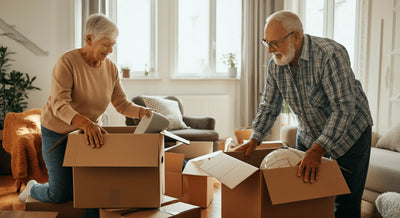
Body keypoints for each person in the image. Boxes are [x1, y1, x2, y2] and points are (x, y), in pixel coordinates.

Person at [235, 11, 373, 218]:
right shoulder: (276, 65)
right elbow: (269, 106)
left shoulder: (330, 55)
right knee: (304, 199)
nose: (270, 50)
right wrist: (255, 139)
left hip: (350, 136)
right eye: (267, 43)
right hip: (310, 135)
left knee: (344, 204)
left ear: (296, 36)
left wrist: (317, 151)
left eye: (275, 43)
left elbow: (343, 108)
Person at [18, 14, 151, 206]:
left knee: (89, 185)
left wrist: (143, 113)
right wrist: (87, 123)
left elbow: (121, 104)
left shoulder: (111, 69)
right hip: (57, 132)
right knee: (60, 193)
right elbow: (59, 104)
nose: (110, 50)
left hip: (85, 133)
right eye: (106, 44)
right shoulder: (67, 62)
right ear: (89, 39)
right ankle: (32, 188)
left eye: (113, 44)